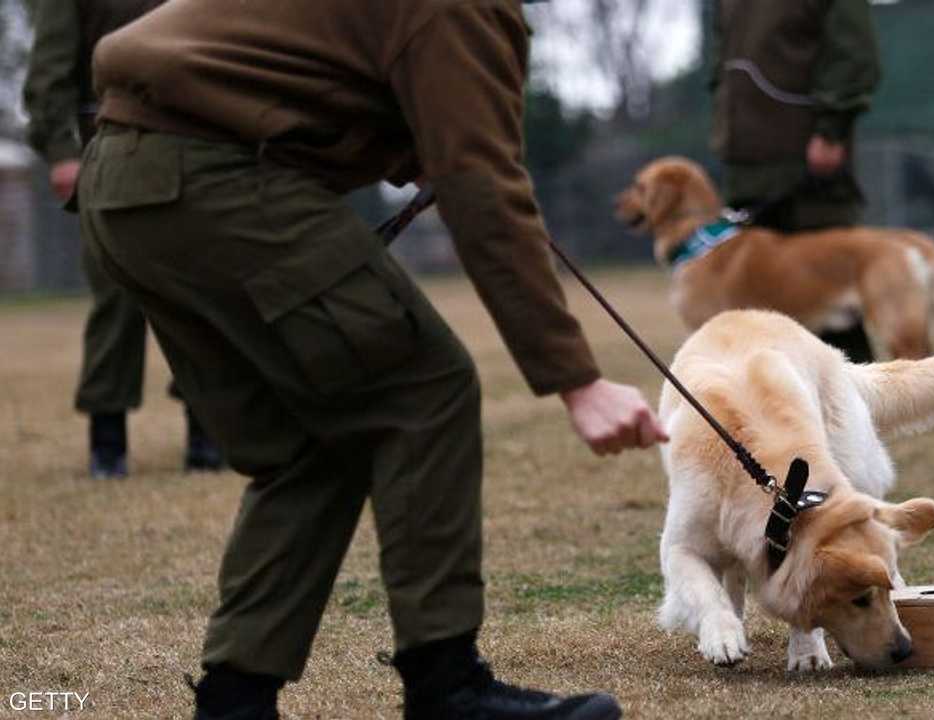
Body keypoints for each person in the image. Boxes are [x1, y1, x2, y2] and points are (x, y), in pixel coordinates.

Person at [78, 1, 667, 718]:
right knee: (425, 387)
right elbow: (478, 176)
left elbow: (324, 79)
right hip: (217, 175)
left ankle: (235, 699)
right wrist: (575, 380)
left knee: (308, 440)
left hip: (122, 176)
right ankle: (447, 686)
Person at [22, 0, 222, 477]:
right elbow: (50, 64)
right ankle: (107, 443)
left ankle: (208, 435)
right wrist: (60, 149)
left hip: (198, 143)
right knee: (117, 295)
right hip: (111, 144)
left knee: (204, 294)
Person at [709, 0, 882, 363]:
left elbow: (854, 55)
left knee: (832, 309)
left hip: (806, 165)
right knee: (757, 312)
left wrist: (831, 128)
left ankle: (857, 410)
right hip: (746, 165)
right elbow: (723, 61)